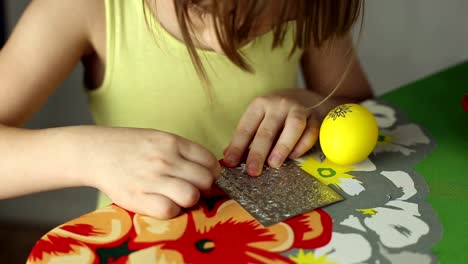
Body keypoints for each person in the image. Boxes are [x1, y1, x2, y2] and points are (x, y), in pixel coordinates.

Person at [0, 0, 372, 219]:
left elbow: (361, 105)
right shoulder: (84, 8)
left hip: (287, 236)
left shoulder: (307, 6)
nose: (219, 42)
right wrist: (85, 155)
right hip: (150, 244)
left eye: (280, 21)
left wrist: (315, 106)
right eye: (202, 9)